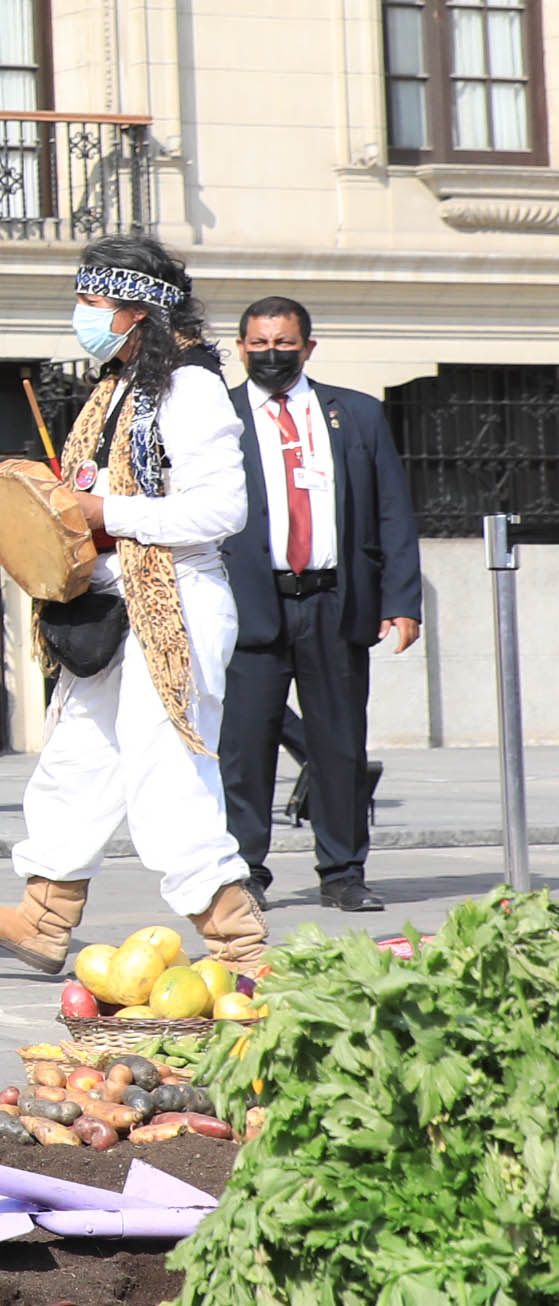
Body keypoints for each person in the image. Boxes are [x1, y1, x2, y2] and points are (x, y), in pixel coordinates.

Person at [0, 235, 266, 975]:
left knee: (167, 774)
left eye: (93, 301)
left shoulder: (189, 389)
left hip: (174, 602)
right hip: (112, 601)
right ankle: (42, 915)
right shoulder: (115, 388)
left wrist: (101, 512)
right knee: (75, 757)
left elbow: (220, 510)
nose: (82, 314)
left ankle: (239, 943)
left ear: (136, 310)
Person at [218, 296, 421, 916]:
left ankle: (343, 870)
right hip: (250, 601)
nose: (271, 355)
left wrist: (403, 601)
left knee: (339, 744)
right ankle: (244, 871)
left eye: (283, 344)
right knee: (244, 746)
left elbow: (392, 509)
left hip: (335, 599)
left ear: (308, 347)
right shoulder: (220, 418)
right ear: (241, 346)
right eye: (259, 344)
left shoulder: (354, 414)